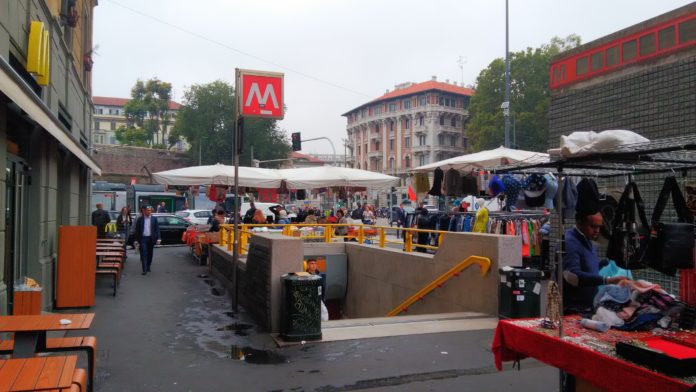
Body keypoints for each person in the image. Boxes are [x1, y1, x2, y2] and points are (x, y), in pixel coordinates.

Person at [563, 211, 626, 314]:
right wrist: (608, 280)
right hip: (573, 309)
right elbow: (572, 277)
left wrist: (602, 264)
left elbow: (586, 267)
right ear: (579, 223)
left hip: (588, 306)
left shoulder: (587, 238)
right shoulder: (569, 242)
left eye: (599, 227)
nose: (597, 231)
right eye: (593, 226)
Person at [133, 206, 161, 275]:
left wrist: (159, 238)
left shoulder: (154, 219)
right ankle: (144, 269)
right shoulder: (140, 219)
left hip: (151, 238)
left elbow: (157, 229)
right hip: (143, 239)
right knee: (143, 253)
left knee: (150, 254)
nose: (149, 212)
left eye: (150, 210)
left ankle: (148, 266)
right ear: (144, 211)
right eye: (148, 210)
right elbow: (137, 230)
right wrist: (136, 240)